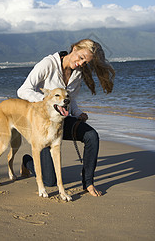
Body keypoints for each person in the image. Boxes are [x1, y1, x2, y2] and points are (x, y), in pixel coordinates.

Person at [17, 39, 115, 197]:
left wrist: (77, 113)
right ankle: (27, 161)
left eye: (86, 62)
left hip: (62, 120)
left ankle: (88, 183)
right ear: (75, 48)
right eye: (81, 57)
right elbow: (23, 90)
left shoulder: (77, 73)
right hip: (42, 123)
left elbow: (72, 99)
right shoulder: (48, 64)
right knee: (49, 181)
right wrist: (45, 102)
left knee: (91, 136)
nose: (81, 63)